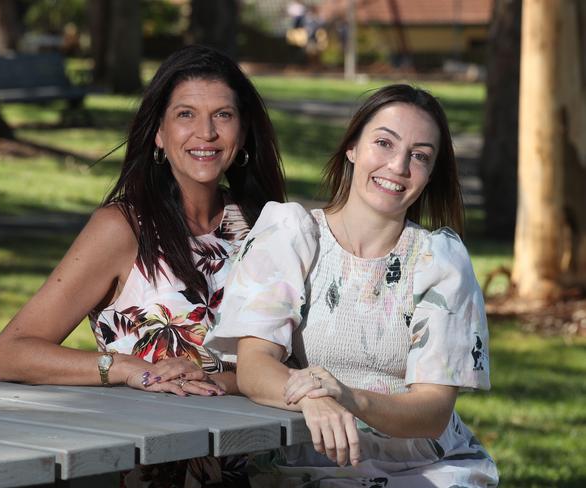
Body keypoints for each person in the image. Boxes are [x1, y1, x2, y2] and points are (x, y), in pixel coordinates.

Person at [0, 45, 286, 487]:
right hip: (161, 468)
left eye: (222, 115)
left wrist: (220, 379)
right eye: (186, 114)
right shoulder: (123, 228)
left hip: (267, 465)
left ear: (242, 132)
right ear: (159, 134)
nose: (205, 133)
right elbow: (9, 354)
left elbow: (290, 360)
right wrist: (126, 369)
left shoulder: (264, 224)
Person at [205, 84, 499, 487]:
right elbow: (254, 367)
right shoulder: (292, 235)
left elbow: (433, 413)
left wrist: (348, 397)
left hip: (423, 471)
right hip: (307, 468)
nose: (398, 166)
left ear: (430, 174)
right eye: (384, 143)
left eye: (419, 156)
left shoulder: (440, 262)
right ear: (352, 148)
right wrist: (313, 396)